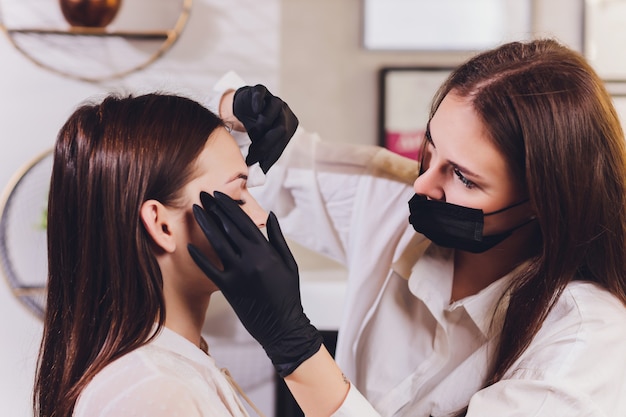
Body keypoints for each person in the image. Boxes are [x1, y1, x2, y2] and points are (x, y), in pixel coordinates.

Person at [189, 38, 626, 417]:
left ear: (543, 202)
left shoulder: (586, 343)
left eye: (463, 177)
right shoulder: (391, 201)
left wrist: (295, 346)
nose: (422, 183)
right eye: (429, 149)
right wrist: (236, 106)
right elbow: (262, 160)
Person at [32, 91, 293, 417]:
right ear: (161, 225)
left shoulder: (171, 373)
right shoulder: (155, 393)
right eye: (238, 198)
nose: (261, 217)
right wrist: (295, 344)